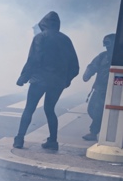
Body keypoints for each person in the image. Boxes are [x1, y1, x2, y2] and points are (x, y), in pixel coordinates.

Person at [14, 11, 79, 151]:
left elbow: (34, 59)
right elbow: (75, 66)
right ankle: (53, 141)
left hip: (39, 80)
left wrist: (23, 77)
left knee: (29, 108)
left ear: (43, 24)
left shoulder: (40, 37)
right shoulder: (66, 39)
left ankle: (19, 139)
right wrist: (66, 80)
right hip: (57, 83)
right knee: (50, 109)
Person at [83, 34, 115, 142]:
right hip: (99, 88)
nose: (107, 47)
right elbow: (92, 66)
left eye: (109, 44)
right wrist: (87, 74)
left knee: (98, 111)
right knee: (92, 109)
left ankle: (94, 132)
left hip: (113, 90)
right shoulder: (102, 56)